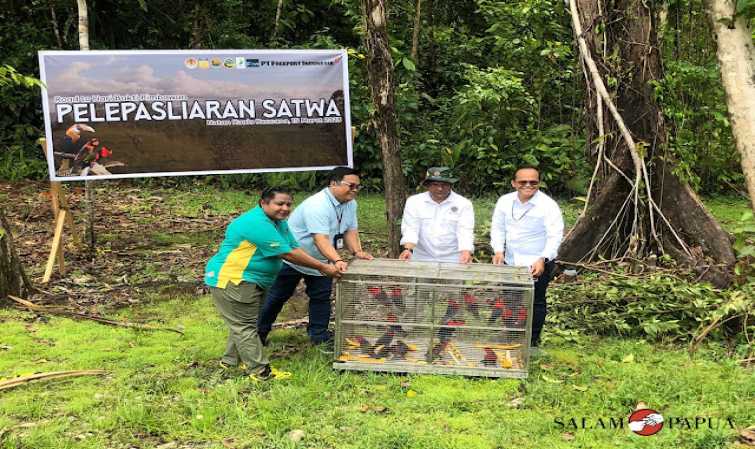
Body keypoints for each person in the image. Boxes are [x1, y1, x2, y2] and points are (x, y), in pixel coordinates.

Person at [204, 187, 342, 379]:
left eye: (288, 204)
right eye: (279, 204)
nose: (285, 208)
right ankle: (260, 372)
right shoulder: (256, 222)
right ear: (264, 203)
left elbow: (293, 246)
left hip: (254, 281)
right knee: (245, 327)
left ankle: (230, 361)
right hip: (234, 279)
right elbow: (286, 253)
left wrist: (331, 262)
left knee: (244, 324)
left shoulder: (278, 222)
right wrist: (322, 267)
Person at [258, 167, 373, 349]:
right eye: (351, 185)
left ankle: (318, 337)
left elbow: (350, 230)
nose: (355, 190)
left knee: (321, 297)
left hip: (322, 260)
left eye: (358, 186)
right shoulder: (317, 205)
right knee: (277, 297)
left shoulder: (351, 204)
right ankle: (258, 335)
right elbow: (320, 239)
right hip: (295, 257)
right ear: (333, 183)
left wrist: (357, 252)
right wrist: (338, 260)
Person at [490, 167, 564, 350]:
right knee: (509, 299)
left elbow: (555, 235)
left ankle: (532, 340)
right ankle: (510, 334)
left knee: (536, 300)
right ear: (514, 183)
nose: (528, 185)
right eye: (523, 182)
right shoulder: (504, 202)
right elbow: (498, 228)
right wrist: (498, 250)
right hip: (511, 261)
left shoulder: (548, 205)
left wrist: (543, 258)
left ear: (538, 183)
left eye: (533, 182)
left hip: (537, 261)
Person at [399, 167, 475, 263]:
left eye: (444, 185)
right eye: (435, 184)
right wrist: (408, 249)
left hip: (454, 259)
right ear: (428, 185)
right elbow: (411, 228)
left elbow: (465, 230)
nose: (440, 188)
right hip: (422, 258)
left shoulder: (463, 204)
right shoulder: (414, 202)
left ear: (450, 185)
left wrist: (466, 252)